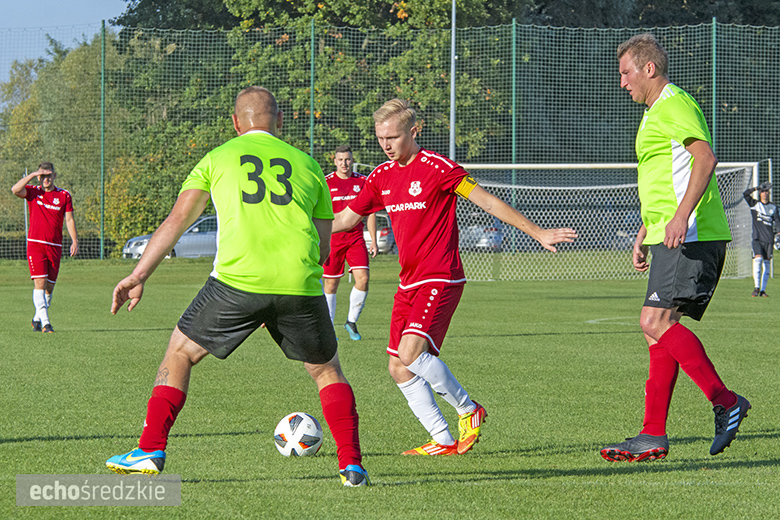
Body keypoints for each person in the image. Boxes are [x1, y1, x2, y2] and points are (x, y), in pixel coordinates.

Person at [105, 86, 369, 487]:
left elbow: (178, 220)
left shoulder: (217, 158)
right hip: (299, 283)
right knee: (327, 370)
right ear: (280, 121)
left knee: (180, 352)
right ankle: (352, 466)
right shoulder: (308, 164)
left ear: (235, 123)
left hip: (236, 284)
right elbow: (324, 243)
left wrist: (138, 275)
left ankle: (149, 449)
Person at [333, 98, 578, 456]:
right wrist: (301, 229)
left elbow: (488, 202)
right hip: (408, 282)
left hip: (440, 276)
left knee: (410, 353)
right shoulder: (380, 177)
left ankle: (468, 408)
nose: (386, 145)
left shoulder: (439, 169)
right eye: (380, 138)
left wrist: (537, 232)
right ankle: (443, 439)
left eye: (393, 137)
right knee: (398, 367)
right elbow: (345, 219)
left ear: (414, 131)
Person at [601, 33, 750, 463]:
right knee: (655, 329)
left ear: (649, 68)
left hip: (693, 233)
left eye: (626, 73)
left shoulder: (674, 103)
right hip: (670, 235)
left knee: (655, 320)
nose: (622, 82)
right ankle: (652, 434)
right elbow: (664, 179)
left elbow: (705, 159)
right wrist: (645, 232)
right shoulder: (653, 113)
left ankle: (726, 401)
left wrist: (682, 216)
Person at [11, 162, 79, 333]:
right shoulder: (33, 192)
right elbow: (15, 189)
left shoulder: (64, 195)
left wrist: (75, 240)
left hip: (55, 246)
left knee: (49, 287)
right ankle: (46, 324)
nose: (45, 179)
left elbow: (69, 219)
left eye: (48, 176)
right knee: (40, 283)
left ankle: (36, 318)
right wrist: (33, 174)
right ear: (39, 177)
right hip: (36, 244)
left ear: (54, 176)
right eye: (42, 176)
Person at [322, 145, 377, 340]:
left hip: (355, 239)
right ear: (334, 161)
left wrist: (373, 240)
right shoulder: (326, 182)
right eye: (340, 160)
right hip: (333, 240)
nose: (344, 163)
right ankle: (328, 328)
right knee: (331, 284)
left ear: (352, 160)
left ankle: (351, 321)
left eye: (347, 159)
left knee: (363, 279)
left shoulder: (362, 181)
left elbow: (370, 212)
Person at [743, 181, 779, 297]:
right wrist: (757, 187)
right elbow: (745, 194)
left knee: (767, 265)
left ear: (769, 193)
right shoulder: (755, 205)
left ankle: (763, 290)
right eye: (762, 191)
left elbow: (778, 223)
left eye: (766, 191)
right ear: (760, 193)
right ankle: (756, 287)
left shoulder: (773, 207)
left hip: (769, 240)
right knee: (758, 260)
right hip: (757, 239)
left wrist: (778, 235)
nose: (764, 193)